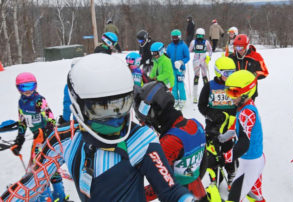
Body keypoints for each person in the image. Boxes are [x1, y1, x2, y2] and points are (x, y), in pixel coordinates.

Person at [1, 54, 194, 202]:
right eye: (101, 109)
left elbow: (170, 190)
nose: (115, 119)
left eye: (121, 105)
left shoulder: (141, 139)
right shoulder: (64, 137)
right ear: (78, 106)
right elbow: (32, 184)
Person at [133, 81, 207, 201]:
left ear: (154, 113)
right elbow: (203, 164)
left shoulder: (169, 142)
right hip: (199, 192)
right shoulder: (197, 125)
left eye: (147, 121)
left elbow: (160, 186)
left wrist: (133, 195)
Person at [10, 72, 67, 201]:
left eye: (30, 86)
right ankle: (48, 196)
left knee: (44, 168)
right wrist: (19, 140)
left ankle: (57, 195)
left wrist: (45, 131)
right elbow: (22, 122)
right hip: (37, 140)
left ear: (35, 86)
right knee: (42, 168)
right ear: (18, 88)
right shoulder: (21, 103)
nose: (27, 91)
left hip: (47, 138)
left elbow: (51, 119)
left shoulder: (39, 100)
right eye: (23, 87)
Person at [220, 70, 265, 202]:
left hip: (251, 162)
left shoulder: (247, 112)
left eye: (234, 93)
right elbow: (240, 127)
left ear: (246, 92)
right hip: (255, 157)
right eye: (228, 92)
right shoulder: (245, 106)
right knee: (255, 195)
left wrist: (223, 158)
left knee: (234, 197)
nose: (230, 97)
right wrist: (224, 137)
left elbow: (244, 144)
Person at [198, 56, 237, 190]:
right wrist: (211, 114)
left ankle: (231, 172)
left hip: (229, 124)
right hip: (213, 125)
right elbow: (201, 106)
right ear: (218, 72)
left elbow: (240, 103)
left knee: (228, 150)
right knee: (213, 152)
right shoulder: (209, 86)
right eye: (227, 73)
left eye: (232, 72)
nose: (230, 76)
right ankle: (213, 177)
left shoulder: (235, 85)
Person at [228, 34, 269, 100]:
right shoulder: (231, 57)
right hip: (234, 90)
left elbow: (265, 72)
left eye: (241, 47)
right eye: (236, 47)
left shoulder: (256, 56)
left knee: (247, 109)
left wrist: (253, 75)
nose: (239, 50)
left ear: (246, 46)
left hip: (250, 90)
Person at [166, 29, 190, 109]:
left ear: (179, 37)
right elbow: (168, 56)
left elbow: (187, 57)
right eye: (173, 37)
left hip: (181, 69)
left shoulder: (183, 45)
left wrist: (181, 62)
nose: (174, 39)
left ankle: (182, 99)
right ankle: (175, 99)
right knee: (174, 84)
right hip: (172, 69)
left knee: (180, 84)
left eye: (176, 37)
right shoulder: (170, 46)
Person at [189, 28, 212, 104]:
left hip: (203, 60)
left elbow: (210, 49)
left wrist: (209, 57)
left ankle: (207, 94)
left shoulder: (206, 42)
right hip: (196, 61)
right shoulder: (193, 42)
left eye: (201, 36)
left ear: (203, 36)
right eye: (198, 35)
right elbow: (189, 50)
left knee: (204, 77)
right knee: (197, 77)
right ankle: (195, 96)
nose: (199, 37)